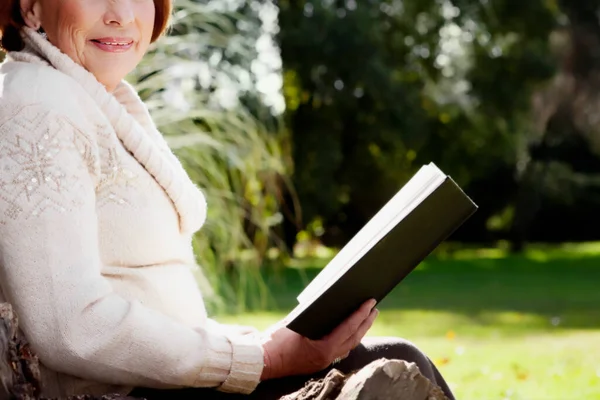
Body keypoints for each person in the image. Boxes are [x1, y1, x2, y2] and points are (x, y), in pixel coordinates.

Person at [0, 1, 456, 399]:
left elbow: (141, 297)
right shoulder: (39, 101)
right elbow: (70, 324)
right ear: (31, 7)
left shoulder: (96, 98)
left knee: (391, 358)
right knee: (397, 361)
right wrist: (262, 360)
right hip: (124, 396)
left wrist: (250, 343)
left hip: (162, 386)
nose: (120, 14)